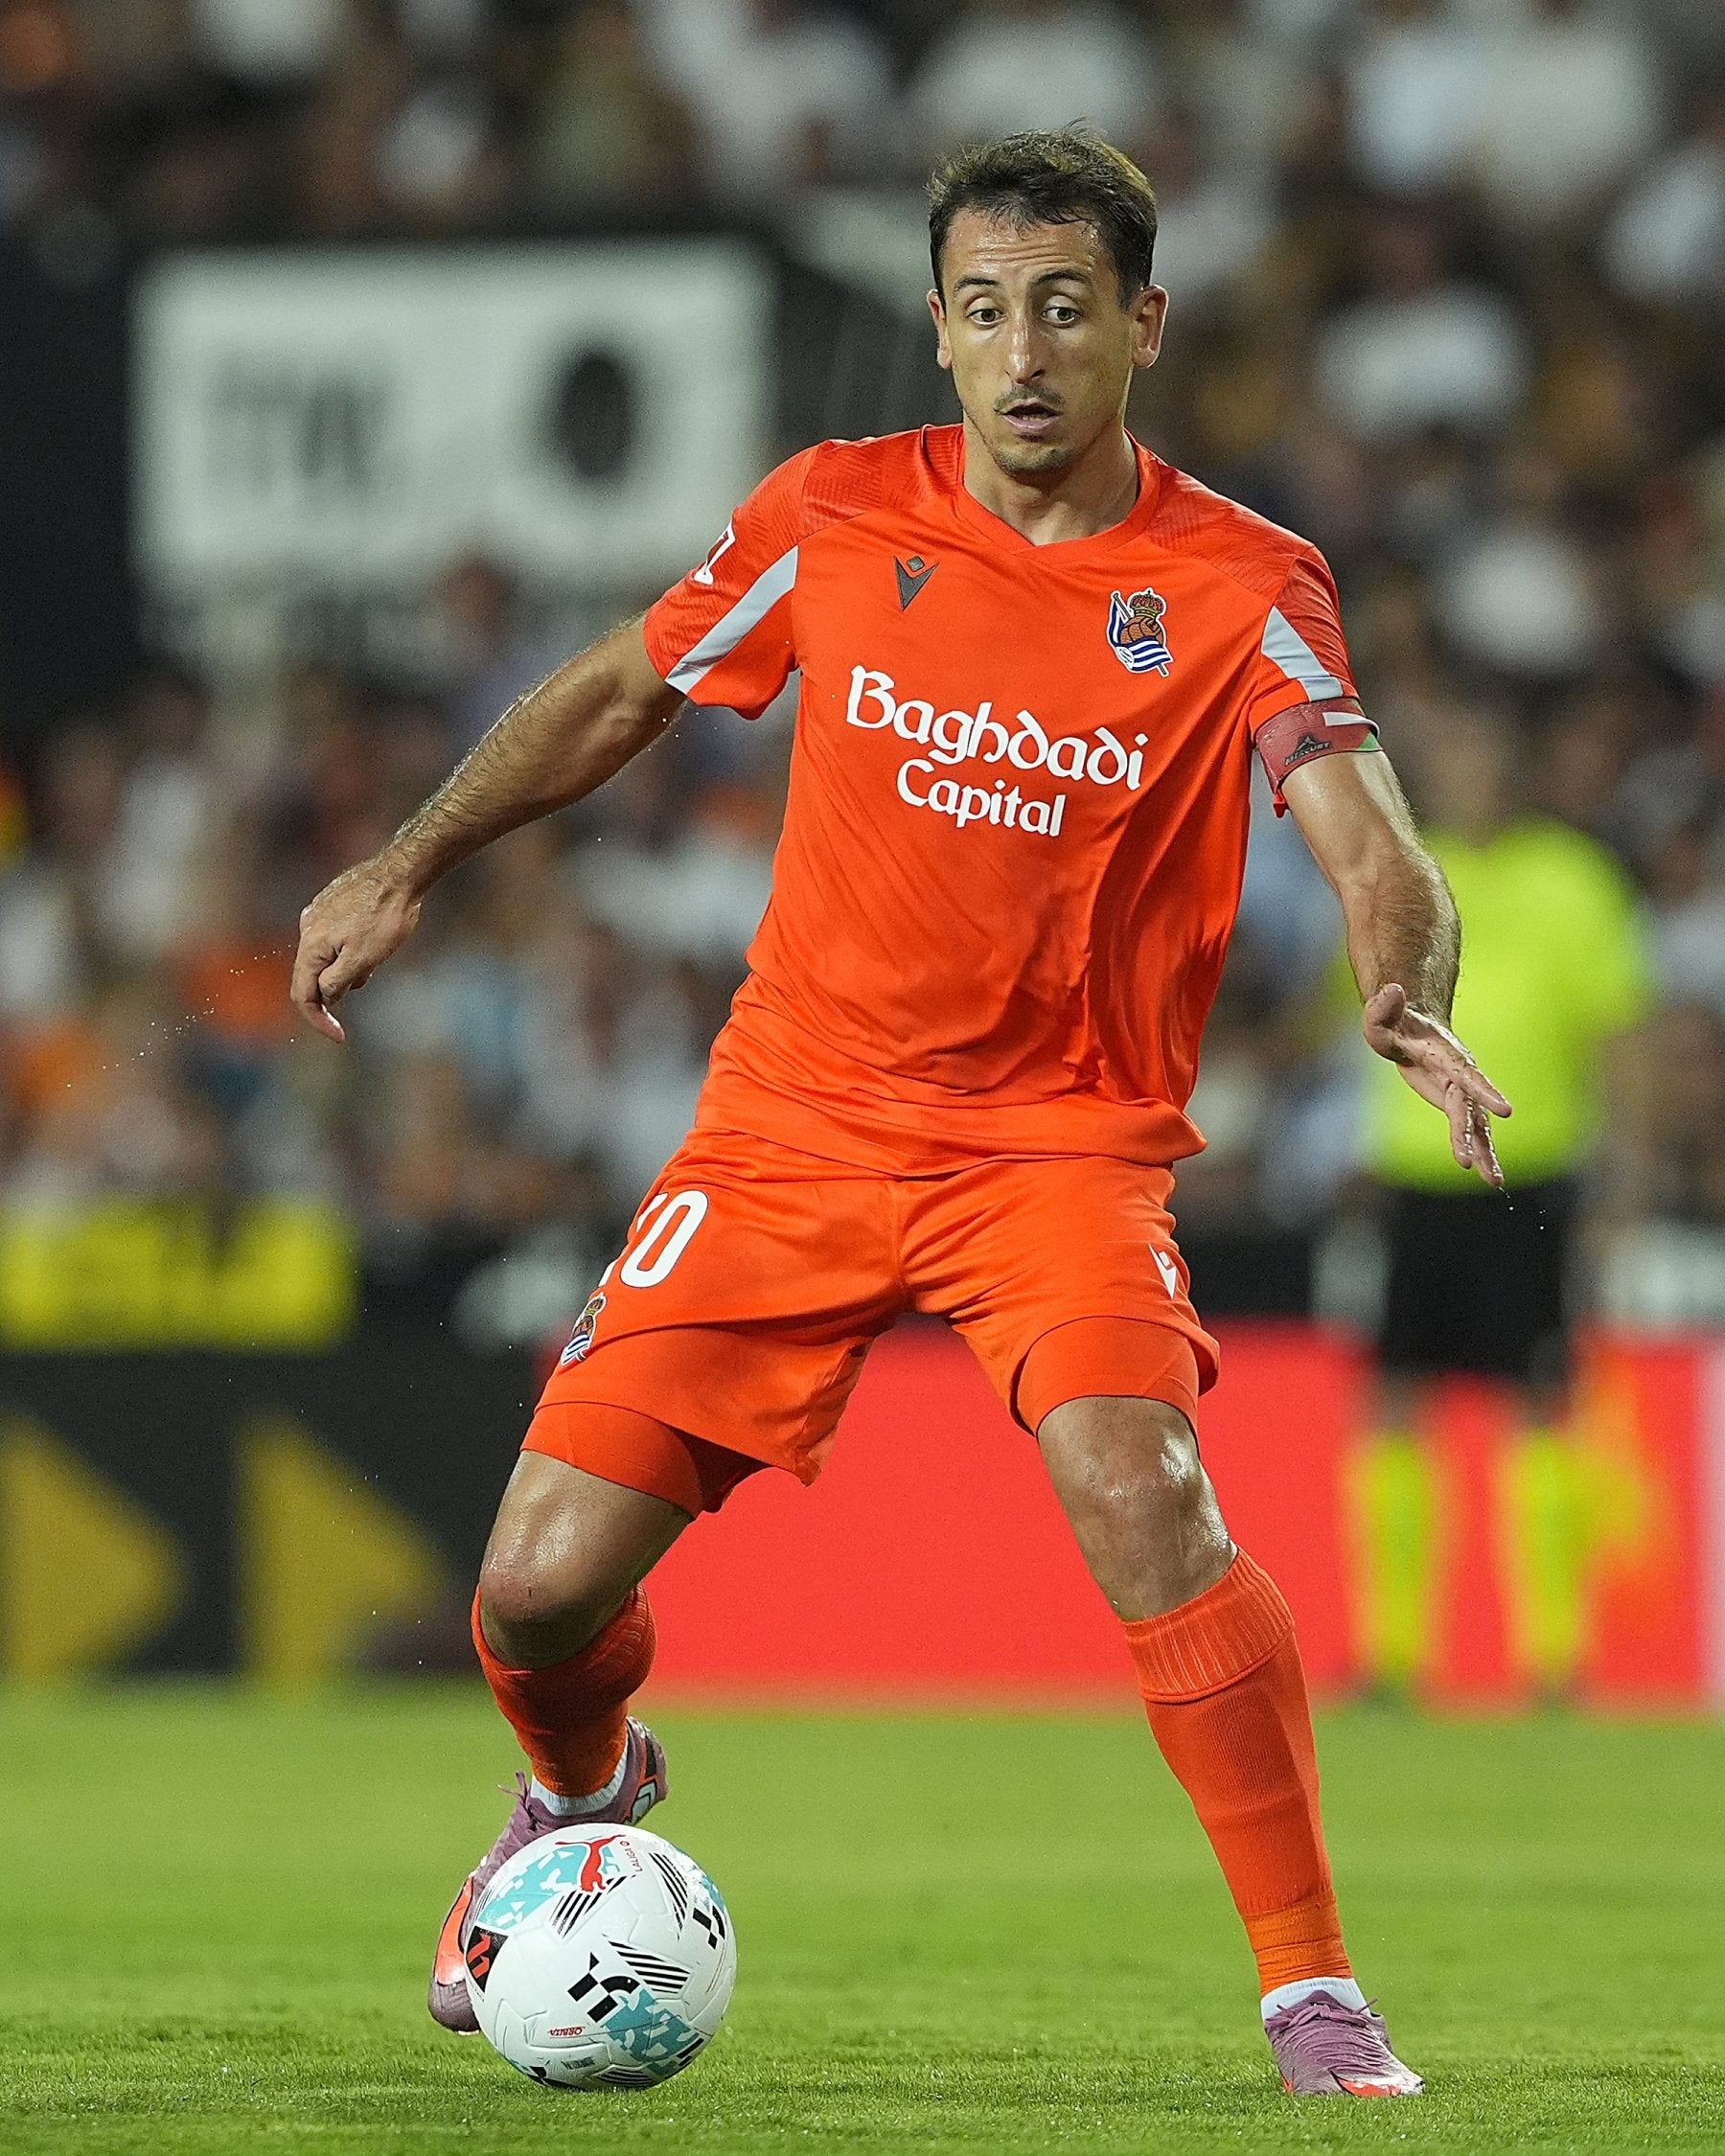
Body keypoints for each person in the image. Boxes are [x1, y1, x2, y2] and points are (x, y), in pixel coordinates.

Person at [292, 129, 1510, 2099]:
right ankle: (579, 1795)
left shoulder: (1238, 583)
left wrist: (1399, 979)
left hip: (1059, 1148)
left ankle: (1311, 1988)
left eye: (1062, 305)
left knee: (1147, 1490)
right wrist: (412, 862)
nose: (1021, 350)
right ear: (937, 333)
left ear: (1143, 326)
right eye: (978, 308)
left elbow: (1369, 835)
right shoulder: (836, 516)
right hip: (793, 1125)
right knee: (530, 1589)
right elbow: (617, 687)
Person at [1354, 701, 1649, 1702]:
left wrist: (1630, 1172)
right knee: (1392, 1403)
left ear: (1516, 769)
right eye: (1455, 754)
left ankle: (1554, 1660)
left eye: (1486, 753)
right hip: (1412, 1179)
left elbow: (1618, 1038)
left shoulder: (1572, 880)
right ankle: (1393, 1659)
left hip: (1528, 1177)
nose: (1470, 774)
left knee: (1540, 1403)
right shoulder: (1401, 870)